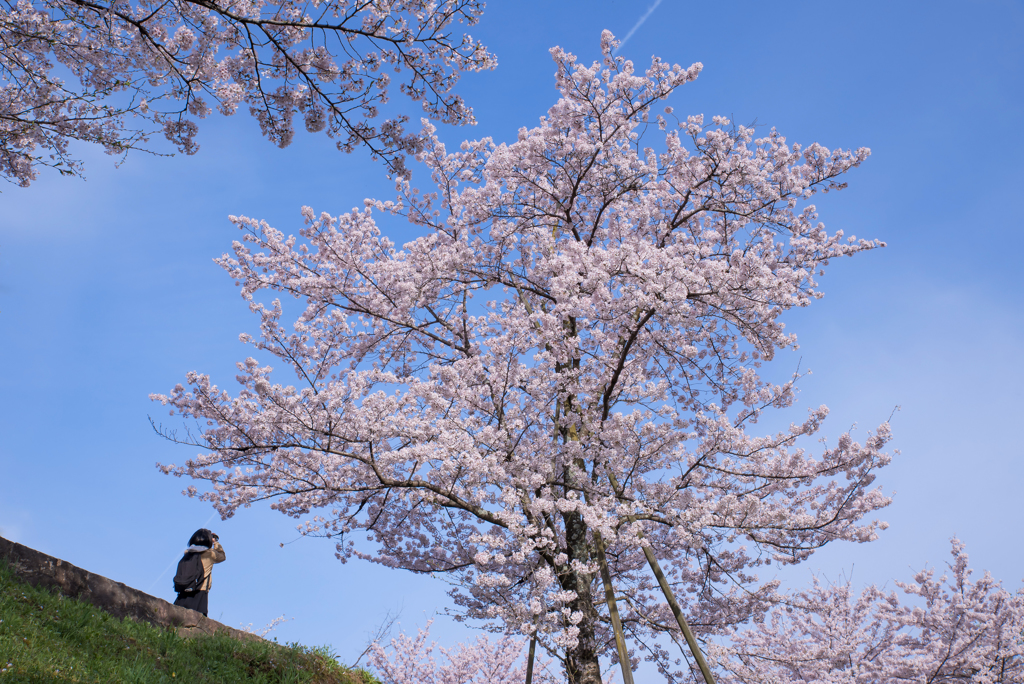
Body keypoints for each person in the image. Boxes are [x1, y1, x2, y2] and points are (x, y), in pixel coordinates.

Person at [172, 528, 226, 617]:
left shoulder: (188, 553)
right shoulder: (210, 553)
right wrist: (215, 542)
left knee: (177, 618)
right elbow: (222, 557)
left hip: (184, 590)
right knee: (198, 619)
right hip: (200, 590)